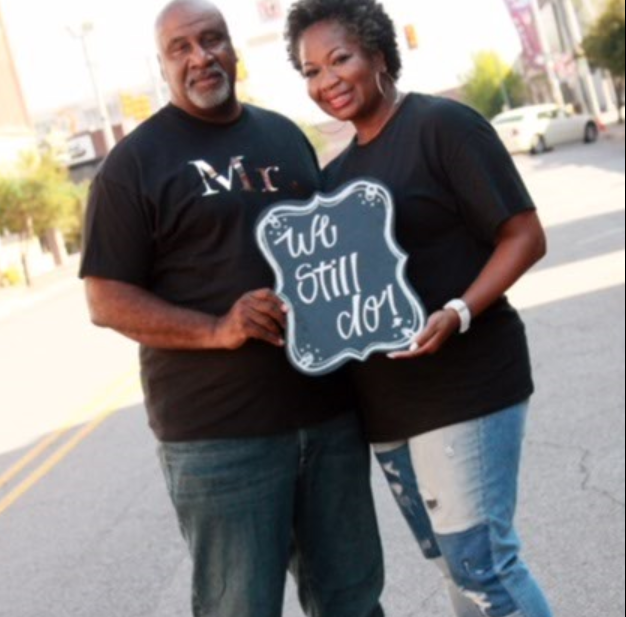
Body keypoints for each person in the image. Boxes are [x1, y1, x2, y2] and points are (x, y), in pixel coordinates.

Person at [79, 1, 386, 616]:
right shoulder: (132, 165)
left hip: (328, 418)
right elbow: (105, 299)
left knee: (353, 602)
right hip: (221, 438)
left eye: (212, 39)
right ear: (162, 66)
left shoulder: (284, 136)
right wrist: (217, 329)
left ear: (233, 49)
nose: (201, 57)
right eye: (181, 48)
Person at [285, 1, 554, 616]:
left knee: (482, 564)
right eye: (311, 71)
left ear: (379, 53)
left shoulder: (443, 126)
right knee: (453, 568)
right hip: (388, 407)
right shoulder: (337, 179)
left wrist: (459, 310)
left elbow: (525, 236)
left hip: (466, 384)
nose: (327, 80)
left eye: (340, 59)